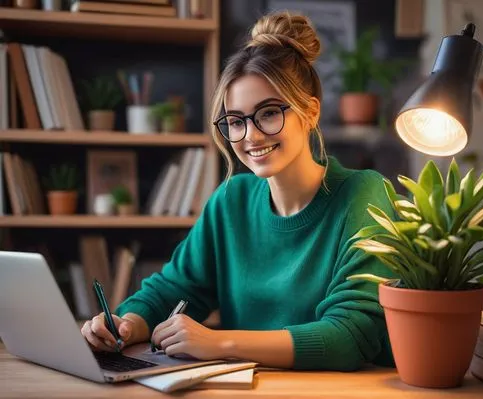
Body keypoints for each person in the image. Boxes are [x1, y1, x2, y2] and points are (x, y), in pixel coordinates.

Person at [81, 11, 398, 371]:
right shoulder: (231, 201)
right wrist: (127, 324)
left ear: (309, 112)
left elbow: (353, 334)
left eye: (267, 113)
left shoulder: (364, 194)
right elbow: (175, 288)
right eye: (235, 121)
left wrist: (220, 342)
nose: (250, 136)